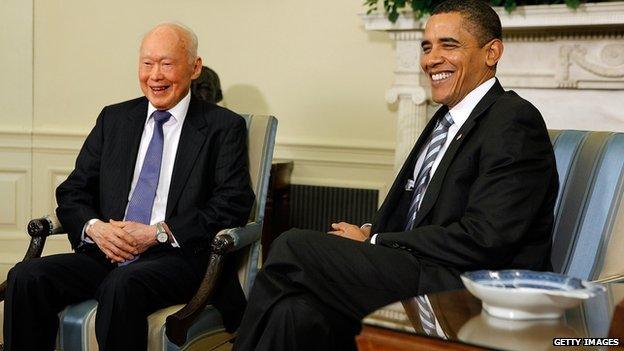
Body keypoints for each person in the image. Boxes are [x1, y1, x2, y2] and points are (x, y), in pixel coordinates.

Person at [232, 1, 558, 350]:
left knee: (291, 246)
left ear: (492, 52)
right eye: (426, 46)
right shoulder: (445, 120)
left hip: (469, 292)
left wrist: (375, 243)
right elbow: (420, 208)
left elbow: (485, 238)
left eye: (449, 45)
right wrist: (372, 231)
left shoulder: (512, 120)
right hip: (418, 272)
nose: (431, 58)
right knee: (295, 312)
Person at [3, 22, 254, 351]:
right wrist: (96, 230)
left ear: (195, 67)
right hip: (107, 252)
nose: (155, 76)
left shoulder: (223, 127)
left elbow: (232, 203)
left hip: (178, 258)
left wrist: (158, 233)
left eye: (167, 63)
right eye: (147, 63)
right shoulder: (115, 118)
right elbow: (73, 191)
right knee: (25, 276)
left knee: (123, 285)